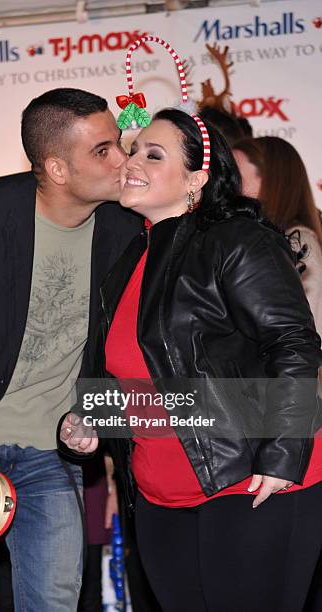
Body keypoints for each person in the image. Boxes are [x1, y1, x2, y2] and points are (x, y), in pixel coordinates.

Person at [60, 108, 322, 612]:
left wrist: (283, 455)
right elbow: (151, 387)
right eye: (133, 150)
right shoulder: (127, 263)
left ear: (196, 179)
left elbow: (293, 345)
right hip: (161, 498)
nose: (131, 162)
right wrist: (86, 420)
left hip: (250, 481)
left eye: (153, 155)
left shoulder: (236, 240)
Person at [0, 87, 143, 612]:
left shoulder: (127, 228)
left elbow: (123, 348)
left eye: (119, 144)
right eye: (103, 150)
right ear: (58, 169)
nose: (121, 160)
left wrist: (94, 414)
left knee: (54, 605)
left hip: (50, 458)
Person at [232, 136, 322, 339]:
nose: (226, 185)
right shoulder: (254, 243)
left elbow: (308, 340)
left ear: (272, 181)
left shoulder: (301, 244)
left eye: (236, 177)